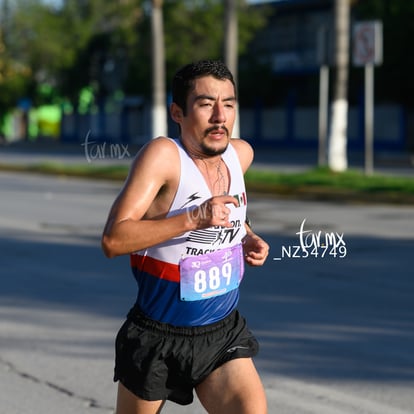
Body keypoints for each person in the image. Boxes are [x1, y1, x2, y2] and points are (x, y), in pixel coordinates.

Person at [102, 59, 269, 414]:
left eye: (229, 103)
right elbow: (113, 240)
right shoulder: (164, 156)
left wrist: (247, 236)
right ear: (177, 112)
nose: (220, 116)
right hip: (157, 335)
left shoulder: (241, 155)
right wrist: (194, 216)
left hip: (222, 332)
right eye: (206, 104)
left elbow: (232, 212)